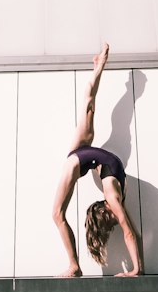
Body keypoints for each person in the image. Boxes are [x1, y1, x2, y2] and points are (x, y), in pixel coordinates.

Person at [52, 43, 142, 277]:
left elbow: (129, 232)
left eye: (111, 221)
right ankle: (98, 67)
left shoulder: (113, 195)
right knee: (89, 103)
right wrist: (136, 270)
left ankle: (74, 266)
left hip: (78, 161)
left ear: (106, 211)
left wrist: (136, 270)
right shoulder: (114, 196)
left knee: (57, 215)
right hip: (85, 156)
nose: (118, 219)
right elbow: (131, 232)